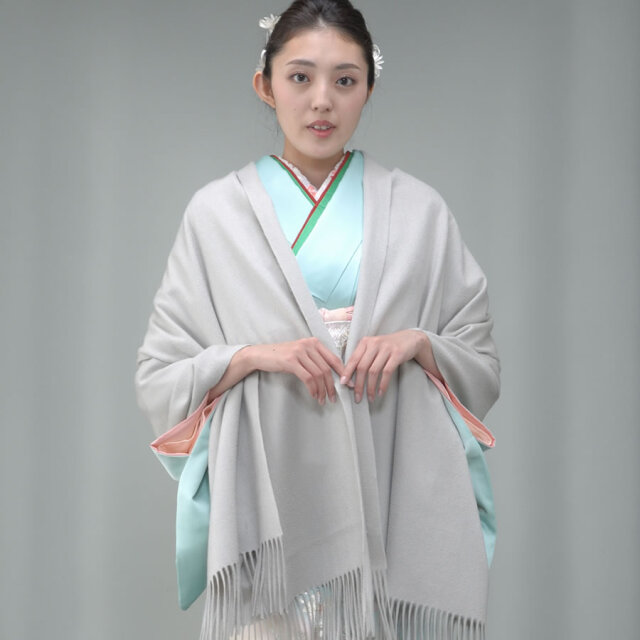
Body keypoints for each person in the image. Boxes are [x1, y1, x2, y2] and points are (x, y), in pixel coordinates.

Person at [135, 1, 500, 638]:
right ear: (265, 85)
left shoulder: (420, 210)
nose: (322, 101)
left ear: (369, 89)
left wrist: (419, 343)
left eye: (345, 80)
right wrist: (250, 356)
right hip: (269, 491)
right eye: (300, 77)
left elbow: (480, 360)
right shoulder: (215, 213)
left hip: (385, 478)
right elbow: (160, 374)